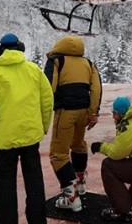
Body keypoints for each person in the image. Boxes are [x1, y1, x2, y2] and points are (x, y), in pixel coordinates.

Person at [0, 33, 54, 224]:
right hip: (30, 136)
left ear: (0, 51)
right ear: (20, 48)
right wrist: (43, 127)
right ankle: (37, 220)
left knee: (3, 184)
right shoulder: (34, 70)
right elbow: (47, 100)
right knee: (34, 179)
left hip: (5, 141)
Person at [44, 36, 103, 212]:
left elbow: (48, 88)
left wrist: (44, 114)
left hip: (65, 112)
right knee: (78, 145)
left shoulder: (56, 61)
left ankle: (71, 196)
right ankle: (80, 184)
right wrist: (93, 113)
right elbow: (96, 88)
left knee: (58, 154)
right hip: (83, 112)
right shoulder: (88, 63)